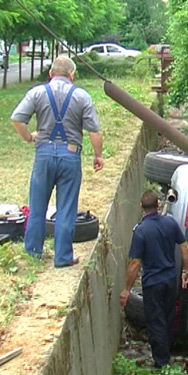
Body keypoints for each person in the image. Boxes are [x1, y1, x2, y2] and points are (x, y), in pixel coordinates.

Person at [11, 56, 103, 267]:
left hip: (43, 154)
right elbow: (94, 131)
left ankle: (33, 253)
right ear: (72, 75)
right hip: (70, 156)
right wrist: (98, 156)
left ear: (50, 74)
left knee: (37, 206)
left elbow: (17, 118)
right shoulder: (81, 96)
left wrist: (28, 137)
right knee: (66, 208)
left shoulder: (37, 92)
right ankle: (62, 257)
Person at [120, 190, 188, 368]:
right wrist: (186, 271)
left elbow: (135, 263)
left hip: (153, 283)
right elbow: (185, 248)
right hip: (170, 279)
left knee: (155, 321)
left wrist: (127, 289)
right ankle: (166, 353)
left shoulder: (141, 231)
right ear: (158, 205)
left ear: (141, 207)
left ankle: (162, 362)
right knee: (167, 317)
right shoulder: (170, 222)